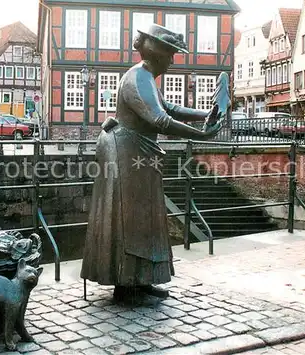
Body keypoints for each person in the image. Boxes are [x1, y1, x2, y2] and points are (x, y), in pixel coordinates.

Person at [80, 24, 229, 302]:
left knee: (145, 215)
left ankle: (142, 278)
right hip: (124, 151)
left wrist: (205, 114)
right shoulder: (137, 78)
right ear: (158, 54)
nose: (172, 61)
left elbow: (169, 109)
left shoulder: (146, 78)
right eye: (171, 54)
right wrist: (202, 133)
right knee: (129, 216)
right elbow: (159, 120)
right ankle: (126, 284)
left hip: (137, 150)